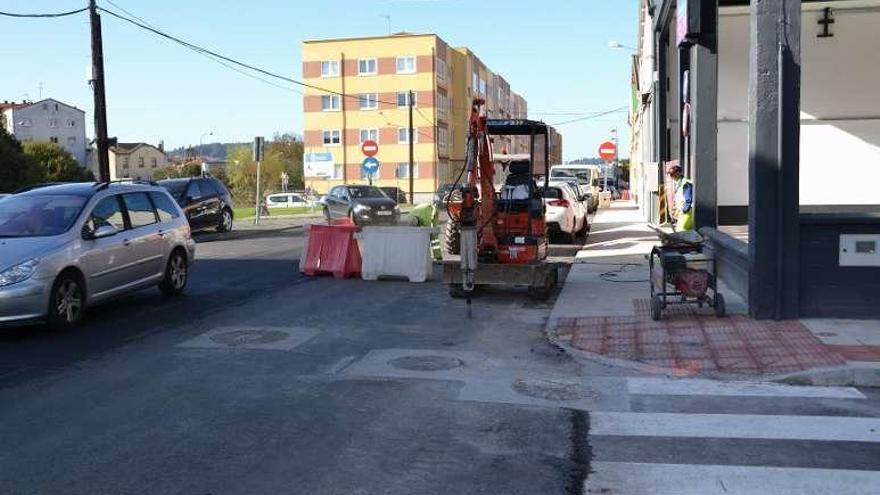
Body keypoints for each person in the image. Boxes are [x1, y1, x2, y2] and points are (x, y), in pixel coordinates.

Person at [667, 165, 694, 231]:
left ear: (678, 173)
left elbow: (688, 199)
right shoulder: (679, 184)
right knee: (687, 231)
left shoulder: (685, 183)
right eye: (671, 175)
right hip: (684, 211)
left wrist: (684, 210)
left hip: (687, 211)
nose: (672, 177)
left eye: (673, 174)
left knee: (681, 230)